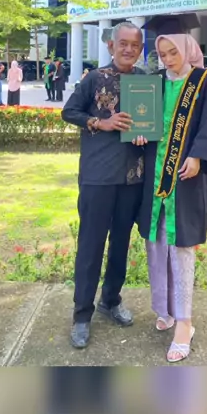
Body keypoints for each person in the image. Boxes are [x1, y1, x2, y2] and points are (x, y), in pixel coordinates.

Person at [138, 15, 207, 363]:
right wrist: (138, 132)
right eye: (162, 54)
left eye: (173, 52)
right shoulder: (156, 84)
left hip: (186, 180)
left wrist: (199, 157)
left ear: (187, 48)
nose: (168, 60)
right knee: (156, 243)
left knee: (182, 247)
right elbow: (145, 122)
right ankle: (165, 309)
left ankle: (185, 323)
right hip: (155, 179)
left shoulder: (202, 82)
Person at [61, 21, 145, 349]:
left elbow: (154, 123)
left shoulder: (146, 81)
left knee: (121, 243)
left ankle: (111, 300)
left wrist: (145, 134)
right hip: (98, 176)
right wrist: (101, 122)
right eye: (123, 43)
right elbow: (69, 112)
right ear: (111, 46)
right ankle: (82, 314)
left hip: (132, 177)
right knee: (91, 245)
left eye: (135, 45)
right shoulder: (94, 78)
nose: (128, 50)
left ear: (140, 49)